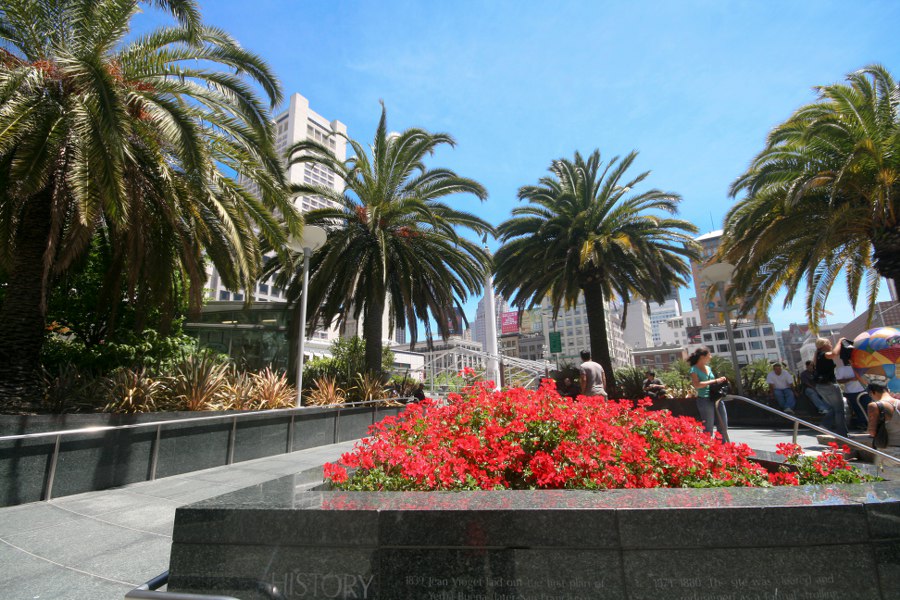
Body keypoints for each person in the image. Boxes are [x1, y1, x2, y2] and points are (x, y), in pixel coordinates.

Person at [688, 347, 730, 442]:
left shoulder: (708, 368)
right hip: (704, 400)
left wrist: (720, 380)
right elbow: (697, 385)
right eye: (709, 355)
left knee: (723, 425)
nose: (710, 357)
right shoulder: (694, 370)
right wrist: (715, 380)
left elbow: (712, 382)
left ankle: (721, 447)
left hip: (716, 397)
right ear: (702, 357)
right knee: (708, 428)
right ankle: (707, 450)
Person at [813, 337, 849, 437]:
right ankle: (836, 430)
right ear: (824, 345)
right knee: (839, 410)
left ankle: (839, 431)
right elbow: (834, 354)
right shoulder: (823, 354)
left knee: (834, 408)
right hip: (829, 385)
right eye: (829, 343)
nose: (831, 345)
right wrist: (840, 341)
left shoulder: (818, 356)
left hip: (821, 386)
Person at [865, 380, 900, 473]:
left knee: (886, 484)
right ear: (887, 390)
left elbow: (872, 432)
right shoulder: (898, 403)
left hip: (888, 452)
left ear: (873, 392)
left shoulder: (874, 406)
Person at [836, 361, 867, 430]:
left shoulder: (861, 365)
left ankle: (866, 423)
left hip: (863, 390)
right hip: (850, 392)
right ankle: (861, 424)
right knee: (856, 409)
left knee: (865, 407)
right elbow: (839, 380)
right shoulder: (841, 368)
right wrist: (850, 379)